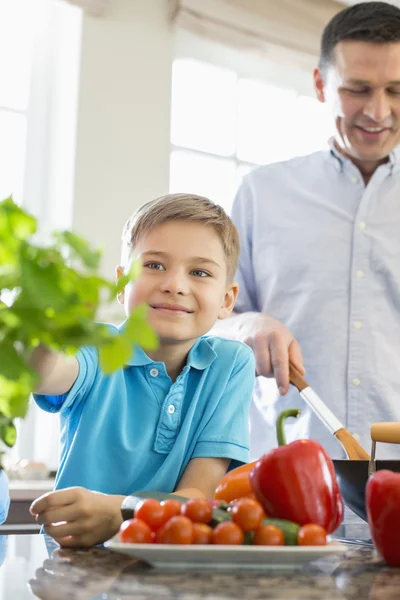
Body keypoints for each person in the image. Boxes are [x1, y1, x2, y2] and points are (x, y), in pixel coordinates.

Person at [216, 1, 400, 461]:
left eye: (396, 90)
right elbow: (208, 323)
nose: (379, 111)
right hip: (283, 481)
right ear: (321, 85)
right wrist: (247, 324)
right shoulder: (262, 193)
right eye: (358, 89)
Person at [29, 193, 255, 547]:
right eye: (154, 265)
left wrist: (121, 512)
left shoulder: (232, 365)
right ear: (121, 284)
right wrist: (42, 329)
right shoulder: (98, 348)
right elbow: (46, 373)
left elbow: (199, 493)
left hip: (171, 563)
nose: (174, 285)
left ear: (227, 300)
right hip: (75, 560)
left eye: (199, 272)